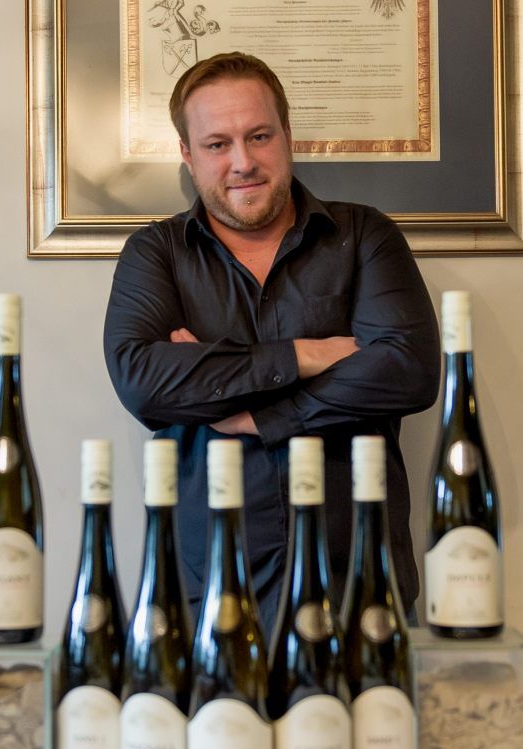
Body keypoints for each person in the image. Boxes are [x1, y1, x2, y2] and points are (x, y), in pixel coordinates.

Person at [103, 52, 440, 635]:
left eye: (259, 135)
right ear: (187, 154)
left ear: (287, 135)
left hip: (359, 586)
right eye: (217, 144)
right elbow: (143, 381)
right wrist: (306, 355)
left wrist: (258, 414)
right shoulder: (156, 254)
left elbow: (409, 371)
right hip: (210, 592)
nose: (243, 162)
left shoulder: (365, 237)